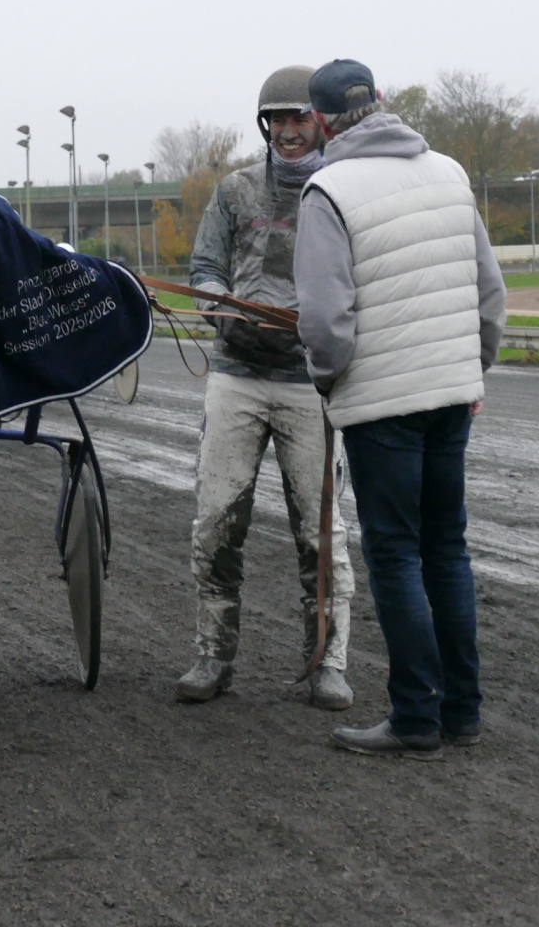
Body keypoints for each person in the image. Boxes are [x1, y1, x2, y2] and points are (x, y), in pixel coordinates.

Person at [293, 59, 506, 759]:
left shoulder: (327, 190)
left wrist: (327, 382)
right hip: (452, 394)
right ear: (381, 101)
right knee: (448, 550)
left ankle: (415, 717)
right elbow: (490, 294)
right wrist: (472, 369)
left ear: (321, 122)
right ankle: (462, 712)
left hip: (382, 405)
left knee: (396, 555)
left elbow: (324, 320)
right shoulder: (449, 172)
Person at [176, 65, 357, 709]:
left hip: (310, 385)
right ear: (265, 125)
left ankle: (328, 662)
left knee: (322, 532)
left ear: (320, 122)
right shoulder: (236, 191)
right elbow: (206, 266)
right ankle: (213, 655)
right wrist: (218, 303)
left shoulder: (343, 191)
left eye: (298, 117)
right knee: (216, 523)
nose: (287, 130)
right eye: (277, 119)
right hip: (237, 378)